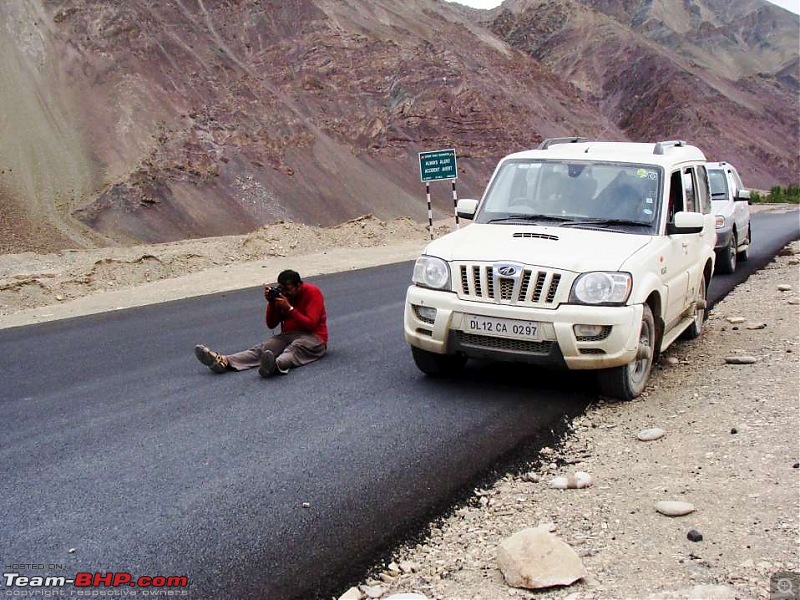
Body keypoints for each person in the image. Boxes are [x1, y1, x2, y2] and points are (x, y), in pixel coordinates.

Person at [194, 269, 328, 378]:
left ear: (299, 285)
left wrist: (289, 308)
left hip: (313, 338)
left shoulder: (313, 292)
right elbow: (271, 324)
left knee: (295, 348)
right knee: (265, 348)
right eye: (282, 289)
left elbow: (310, 325)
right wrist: (271, 303)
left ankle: (274, 365)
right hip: (289, 335)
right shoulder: (282, 296)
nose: (285, 293)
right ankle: (223, 361)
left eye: (288, 289)